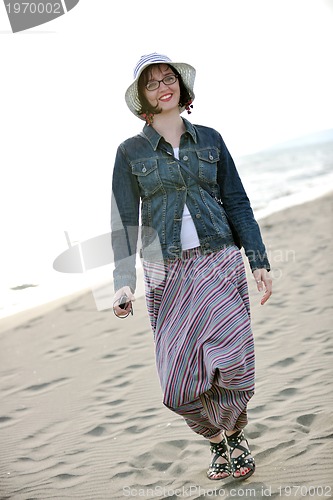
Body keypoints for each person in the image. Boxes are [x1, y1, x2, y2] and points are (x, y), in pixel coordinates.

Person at [111, 53, 272, 481]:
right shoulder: (130, 152)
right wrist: (122, 283)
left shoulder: (211, 139)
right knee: (179, 385)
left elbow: (237, 201)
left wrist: (258, 260)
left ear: (181, 86)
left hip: (220, 261)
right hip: (166, 272)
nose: (164, 85)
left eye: (170, 78)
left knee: (235, 363)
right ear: (143, 98)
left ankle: (236, 434)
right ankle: (216, 441)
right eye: (153, 83)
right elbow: (125, 222)